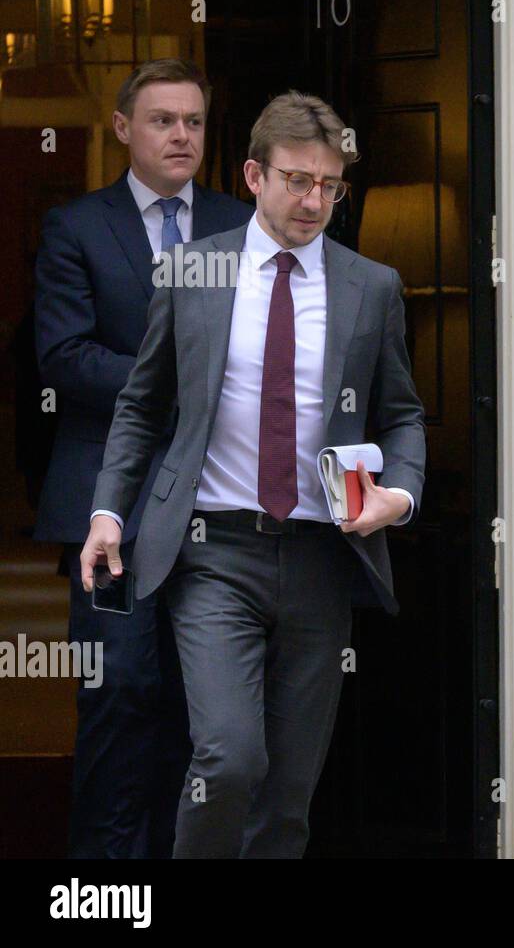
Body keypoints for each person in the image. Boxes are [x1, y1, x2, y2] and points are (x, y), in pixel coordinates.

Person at [80, 90, 426, 858]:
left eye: (330, 185)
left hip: (320, 557)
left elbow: (401, 414)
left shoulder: (371, 287)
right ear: (253, 176)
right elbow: (141, 408)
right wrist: (108, 514)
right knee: (230, 756)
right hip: (213, 554)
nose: (315, 201)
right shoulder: (191, 272)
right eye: (298, 180)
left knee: (290, 790)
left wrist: (398, 495)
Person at [33, 58, 252, 858]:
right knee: (119, 693)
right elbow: (62, 357)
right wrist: (179, 385)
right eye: (163, 120)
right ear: (125, 129)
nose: (181, 135)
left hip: (221, 504)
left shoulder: (243, 224)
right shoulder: (78, 227)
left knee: (203, 712)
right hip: (109, 508)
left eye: (193, 121)